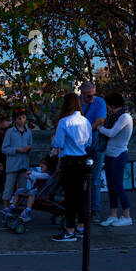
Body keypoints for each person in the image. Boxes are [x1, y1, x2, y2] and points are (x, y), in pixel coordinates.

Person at [50, 93, 92, 242]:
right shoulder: (86, 121)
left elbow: (59, 144)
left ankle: (69, 230)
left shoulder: (64, 122)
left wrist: (54, 142)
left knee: (70, 198)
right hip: (83, 161)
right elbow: (89, 143)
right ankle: (81, 227)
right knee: (80, 196)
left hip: (69, 162)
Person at [98, 92, 134, 226]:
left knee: (118, 186)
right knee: (112, 187)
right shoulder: (116, 116)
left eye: (108, 106)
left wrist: (100, 128)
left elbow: (112, 132)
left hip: (119, 154)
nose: (107, 109)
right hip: (110, 154)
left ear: (112, 105)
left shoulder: (124, 117)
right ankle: (113, 214)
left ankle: (127, 216)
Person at [79, 81, 107, 219]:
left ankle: (94, 210)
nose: (92, 98)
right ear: (82, 94)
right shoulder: (76, 103)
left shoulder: (99, 102)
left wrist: (84, 131)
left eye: (94, 95)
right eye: (89, 96)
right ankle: (82, 208)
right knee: (79, 179)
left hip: (95, 144)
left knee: (95, 180)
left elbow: (100, 121)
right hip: (79, 146)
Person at [1, 109, 33, 215]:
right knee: (9, 187)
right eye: (19, 118)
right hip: (13, 164)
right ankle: (6, 207)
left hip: (24, 163)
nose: (21, 120)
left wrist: (28, 148)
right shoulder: (10, 132)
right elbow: (4, 148)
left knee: (22, 188)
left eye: (23, 118)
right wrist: (17, 150)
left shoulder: (28, 132)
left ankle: (18, 207)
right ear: (15, 120)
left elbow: (30, 145)